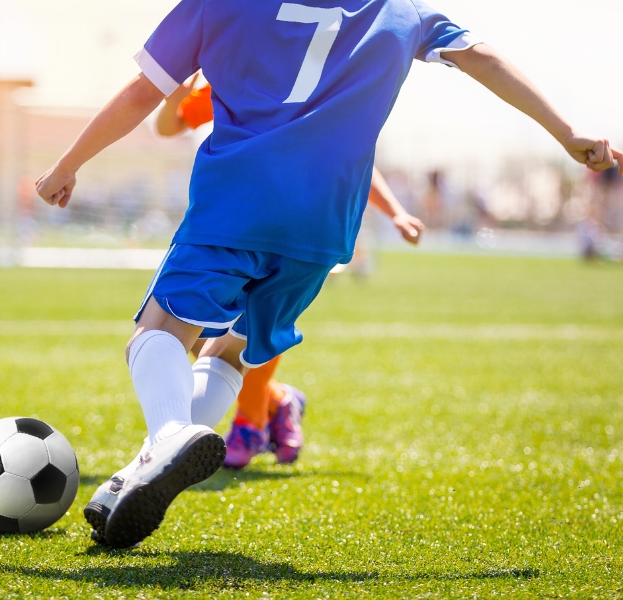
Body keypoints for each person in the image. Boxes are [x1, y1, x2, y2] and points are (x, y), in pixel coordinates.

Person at [37, 0, 620, 549]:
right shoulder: (399, 10)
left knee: (159, 333)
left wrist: (67, 165)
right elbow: (482, 56)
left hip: (238, 201)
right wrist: (568, 133)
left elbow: (146, 93)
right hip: (323, 230)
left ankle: (165, 437)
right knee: (229, 353)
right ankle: (141, 471)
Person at [155, 78, 425, 469]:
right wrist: (175, 97)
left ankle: (251, 422)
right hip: (232, 216)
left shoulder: (323, 78)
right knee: (201, 334)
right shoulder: (241, 70)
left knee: (256, 322)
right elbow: (172, 124)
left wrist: (395, 211)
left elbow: (352, 154)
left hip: (301, 224)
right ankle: (278, 401)